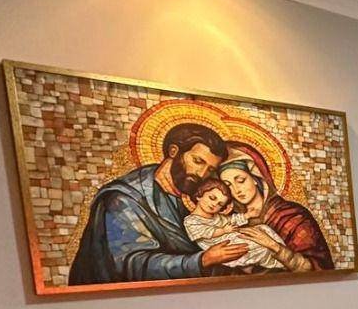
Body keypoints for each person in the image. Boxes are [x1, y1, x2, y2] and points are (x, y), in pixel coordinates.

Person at [69, 122, 247, 284]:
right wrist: (202, 260)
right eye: (197, 161)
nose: (201, 174)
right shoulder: (123, 200)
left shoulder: (193, 197)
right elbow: (133, 264)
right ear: (173, 151)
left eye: (210, 169)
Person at [217, 144, 335, 271]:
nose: (236, 190)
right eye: (228, 185)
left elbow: (319, 268)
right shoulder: (230, 220)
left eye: (240, 180)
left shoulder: (293, 215)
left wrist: (274, 246)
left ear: (255, 177)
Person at [182, 178, 288, 271]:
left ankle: (284, 257)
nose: (214, 204)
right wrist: (223, 230)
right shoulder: (191, 221)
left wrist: (247, 215)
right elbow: (206, 233)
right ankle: (276, 265)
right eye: (212, 198)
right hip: (225, 249)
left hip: (232, 237)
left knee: (263, 229)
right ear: (199, 195)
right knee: (261, 246)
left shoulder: (216, 216)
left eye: (220, 204)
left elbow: (231, 220)